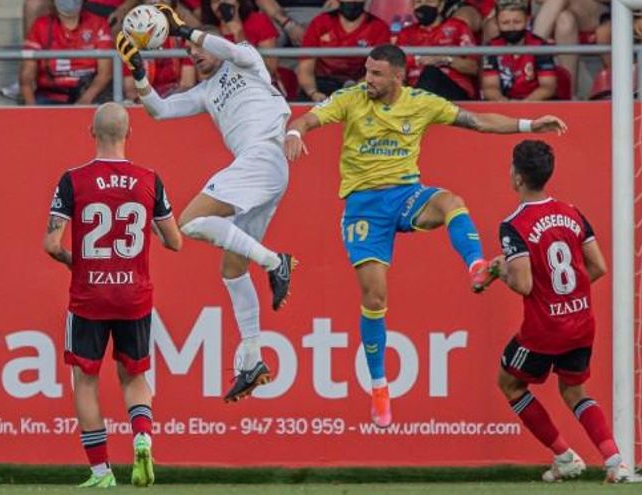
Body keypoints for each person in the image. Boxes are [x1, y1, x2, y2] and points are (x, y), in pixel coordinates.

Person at [284, 44, 566, 428]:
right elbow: (308, 120)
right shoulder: (351, 99)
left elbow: (478, 122)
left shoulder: (421, 103)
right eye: (367, 71)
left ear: (398, 76)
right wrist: (294, 132)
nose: (368, 79)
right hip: (364, 208)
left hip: (406, 196)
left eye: (376, 73)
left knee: (452, 202)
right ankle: (379, 385)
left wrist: (530, 126)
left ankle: (476, 266)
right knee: (375, 295)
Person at [117, 4, 297, 402]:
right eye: (189, 53)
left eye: (199, 49)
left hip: (263, 155)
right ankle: (252, 359)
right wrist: (139, 72)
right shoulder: (205, 91)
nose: (194, 55)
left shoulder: (246, 59)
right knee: (233, 270)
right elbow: (160, 111)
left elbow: (227, 49)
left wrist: (184, 31)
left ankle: (274, 262)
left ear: (212, 42)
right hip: (263, 169)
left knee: (189, 222)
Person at [44, 102, 182, 488]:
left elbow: (51, 244)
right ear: (129, 133)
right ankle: (142, 438)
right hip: (133, 296)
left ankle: (101, 472)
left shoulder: (73, 180)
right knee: (134, 376)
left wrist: (75, 262)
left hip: (89, 296)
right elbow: (175, 241)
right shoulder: (149, 180)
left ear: (91, 131)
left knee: (85, 381)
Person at [489, 140, 630, 483]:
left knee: (510, 384)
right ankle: (615, 461)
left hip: (544, 330)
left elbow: (523, 283)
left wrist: (499, 269)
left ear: (518, 177)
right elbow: (598, 266)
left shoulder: (514, 224)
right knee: (574, 391)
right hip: (581, 322)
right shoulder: (571, 212)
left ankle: (564, 456)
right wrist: (567, 295)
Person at [19, 0, 114, 105]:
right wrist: (32, 109)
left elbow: (105, 73)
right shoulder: (40, 26)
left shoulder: (99, 24)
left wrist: (84, 101)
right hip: (50, 96)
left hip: (89, 95)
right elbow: (26, 76)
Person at [297, 0, 390, 101]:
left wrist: (356, 89)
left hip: (362, 86)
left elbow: (379, 70)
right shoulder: (320, 22)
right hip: (322, 84)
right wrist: (313, 93)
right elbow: (305, 68)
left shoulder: (379, 27)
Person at [396, 0, 479, 101]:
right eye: (418, 2)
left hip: (453, 89)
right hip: (415, 89)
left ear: (441, 5)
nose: (424, 5)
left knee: (430, 72)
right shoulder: (405, 34)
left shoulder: (458, 27)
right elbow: (397, 71)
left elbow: (474, 67)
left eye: (429, 1)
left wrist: (444, 59)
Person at [481, 0, 557, 101]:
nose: (512, 27)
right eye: (505, 23)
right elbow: (490, 87)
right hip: (502, 104)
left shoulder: (539, 46)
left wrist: (523, 104)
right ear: (496, 22)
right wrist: (504, 102)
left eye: (517, 22)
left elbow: (548, 87)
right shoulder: (492, 47)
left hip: (535, 103)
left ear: (527, 20)